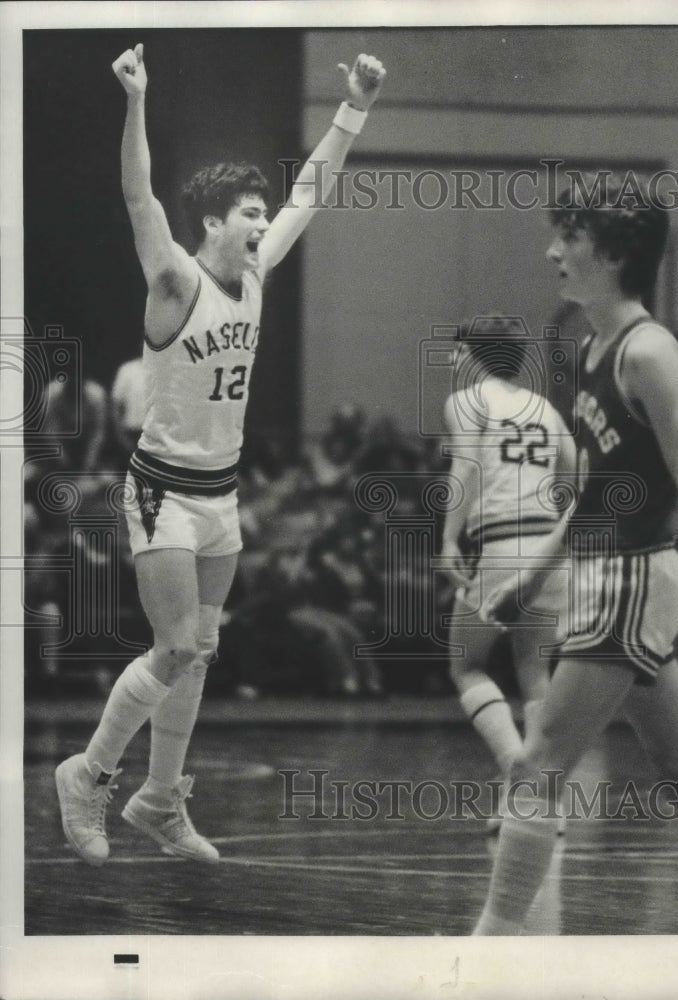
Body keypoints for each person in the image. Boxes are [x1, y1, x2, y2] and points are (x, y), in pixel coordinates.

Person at [55, 41, 386, 866]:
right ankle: (88, 773)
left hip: (222, 495)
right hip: (162, 490)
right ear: (211, 223)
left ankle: (161, 800)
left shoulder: (258, 276)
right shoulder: (174, 281)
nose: (264, 225)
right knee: (172, 648)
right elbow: (137, 196)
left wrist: (356, 109)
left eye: (262, 217)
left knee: (200, 653)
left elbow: (310, 194)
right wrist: (135, 102)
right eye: (249, 215)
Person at [473, 173, 678, 933]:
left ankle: (489, 953)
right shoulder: (593, 345)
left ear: (612, 252)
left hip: (639, 579)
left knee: (539, 763)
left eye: (569, 238)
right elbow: (594, 495)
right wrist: (531, 575)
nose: (552, 253)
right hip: (610, 575)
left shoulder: (649, 351)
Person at [440, 317, 575, 826]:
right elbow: (575, 470)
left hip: (498, 544)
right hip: (548, 548)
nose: (453, 361)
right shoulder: (545, 408)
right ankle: (543, 803)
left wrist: (449, 535)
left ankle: (515, 767)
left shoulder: (467, 402)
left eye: (459, 352)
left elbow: (467, 466)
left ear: (477, 355)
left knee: (466, 665)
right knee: (534, 670)